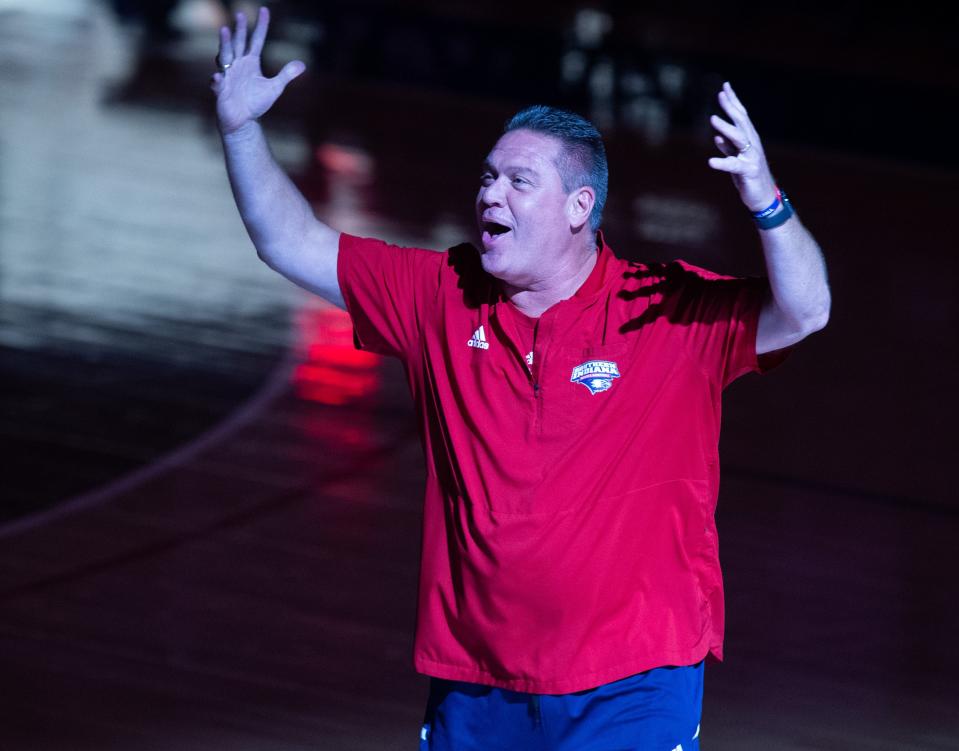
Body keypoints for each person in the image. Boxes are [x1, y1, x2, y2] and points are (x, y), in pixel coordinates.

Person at [212, 8, 831, 750]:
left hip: (633, 681)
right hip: (478, 679)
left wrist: (766, 202)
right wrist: (241, 131)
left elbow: (806, 309)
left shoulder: (662, 308)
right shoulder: (440, 294)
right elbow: (289, 239)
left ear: (578, 207)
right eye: (487, 176)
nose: (490, 195)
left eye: (517, 180)